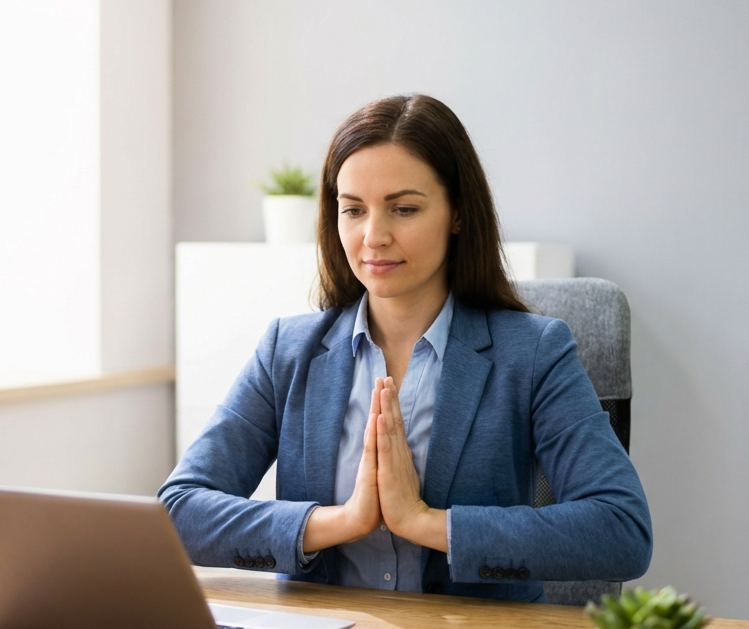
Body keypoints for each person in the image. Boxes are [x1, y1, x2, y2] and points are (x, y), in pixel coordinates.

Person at [159, 94, 650, 602]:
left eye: (405, 209)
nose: (374, 237)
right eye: (353, 210)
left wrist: (424, 522)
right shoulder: (289, 349)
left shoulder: (533, 352)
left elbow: (621, 530)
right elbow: (179, 510)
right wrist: (340, 521)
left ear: (457, 213)